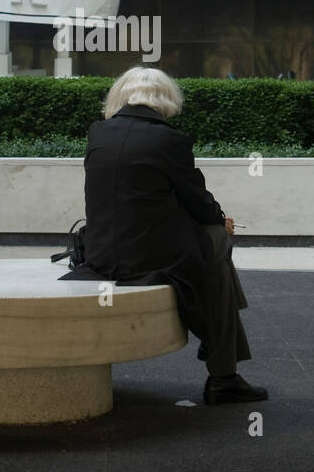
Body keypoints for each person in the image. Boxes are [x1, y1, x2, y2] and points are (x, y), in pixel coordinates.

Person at [64, 66, 267, 405]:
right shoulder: (170, 140)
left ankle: (222, 351)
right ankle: (222, 368)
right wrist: (221, 220)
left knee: (213, 249)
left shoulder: (98, 133)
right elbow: (199, 203)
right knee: (217, 238)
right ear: (166, 99)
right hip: (149, 260)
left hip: (99, 255)